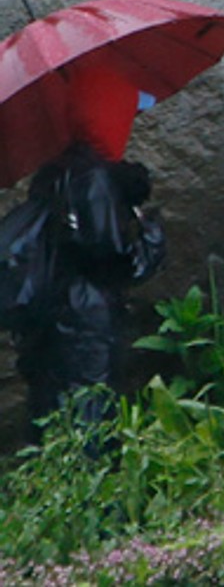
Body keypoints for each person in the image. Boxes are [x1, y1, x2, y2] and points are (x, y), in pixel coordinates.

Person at [6, 142, 166, 434]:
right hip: (85, 320)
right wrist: (151, 236)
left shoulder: (52, 177)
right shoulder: (92, 178)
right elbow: (112, 260)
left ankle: (49, 475)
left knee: (49, 413)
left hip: (52, 316)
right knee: (89, 417)